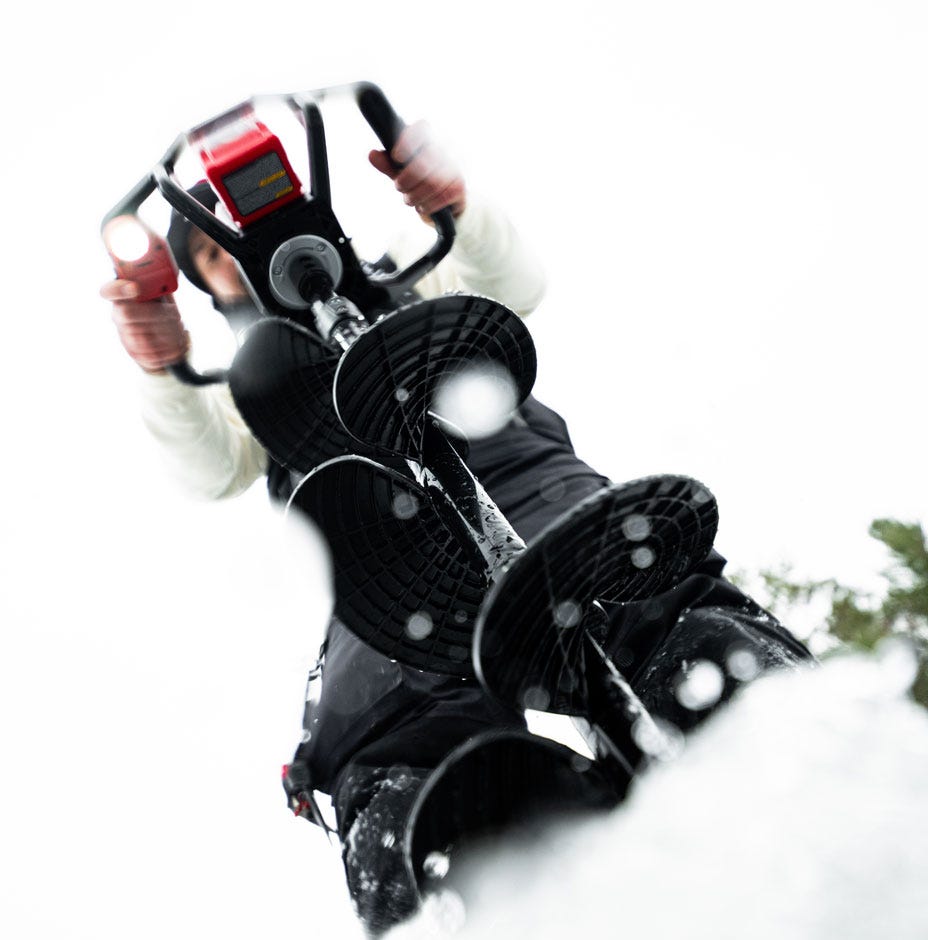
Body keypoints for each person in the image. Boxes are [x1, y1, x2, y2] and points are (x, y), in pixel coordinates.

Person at [102, 120, 811, 935]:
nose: (246, 261)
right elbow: (205, 469)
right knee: (394, 758)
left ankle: (802, 762)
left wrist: (453, 204)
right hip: (382, 577)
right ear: (204, 284)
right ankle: (458, 878)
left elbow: (512, 281)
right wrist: (161, 364)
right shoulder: (243, 393)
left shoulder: (412, 272)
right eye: (218, 258)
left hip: (532, 491)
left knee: (657, 607)